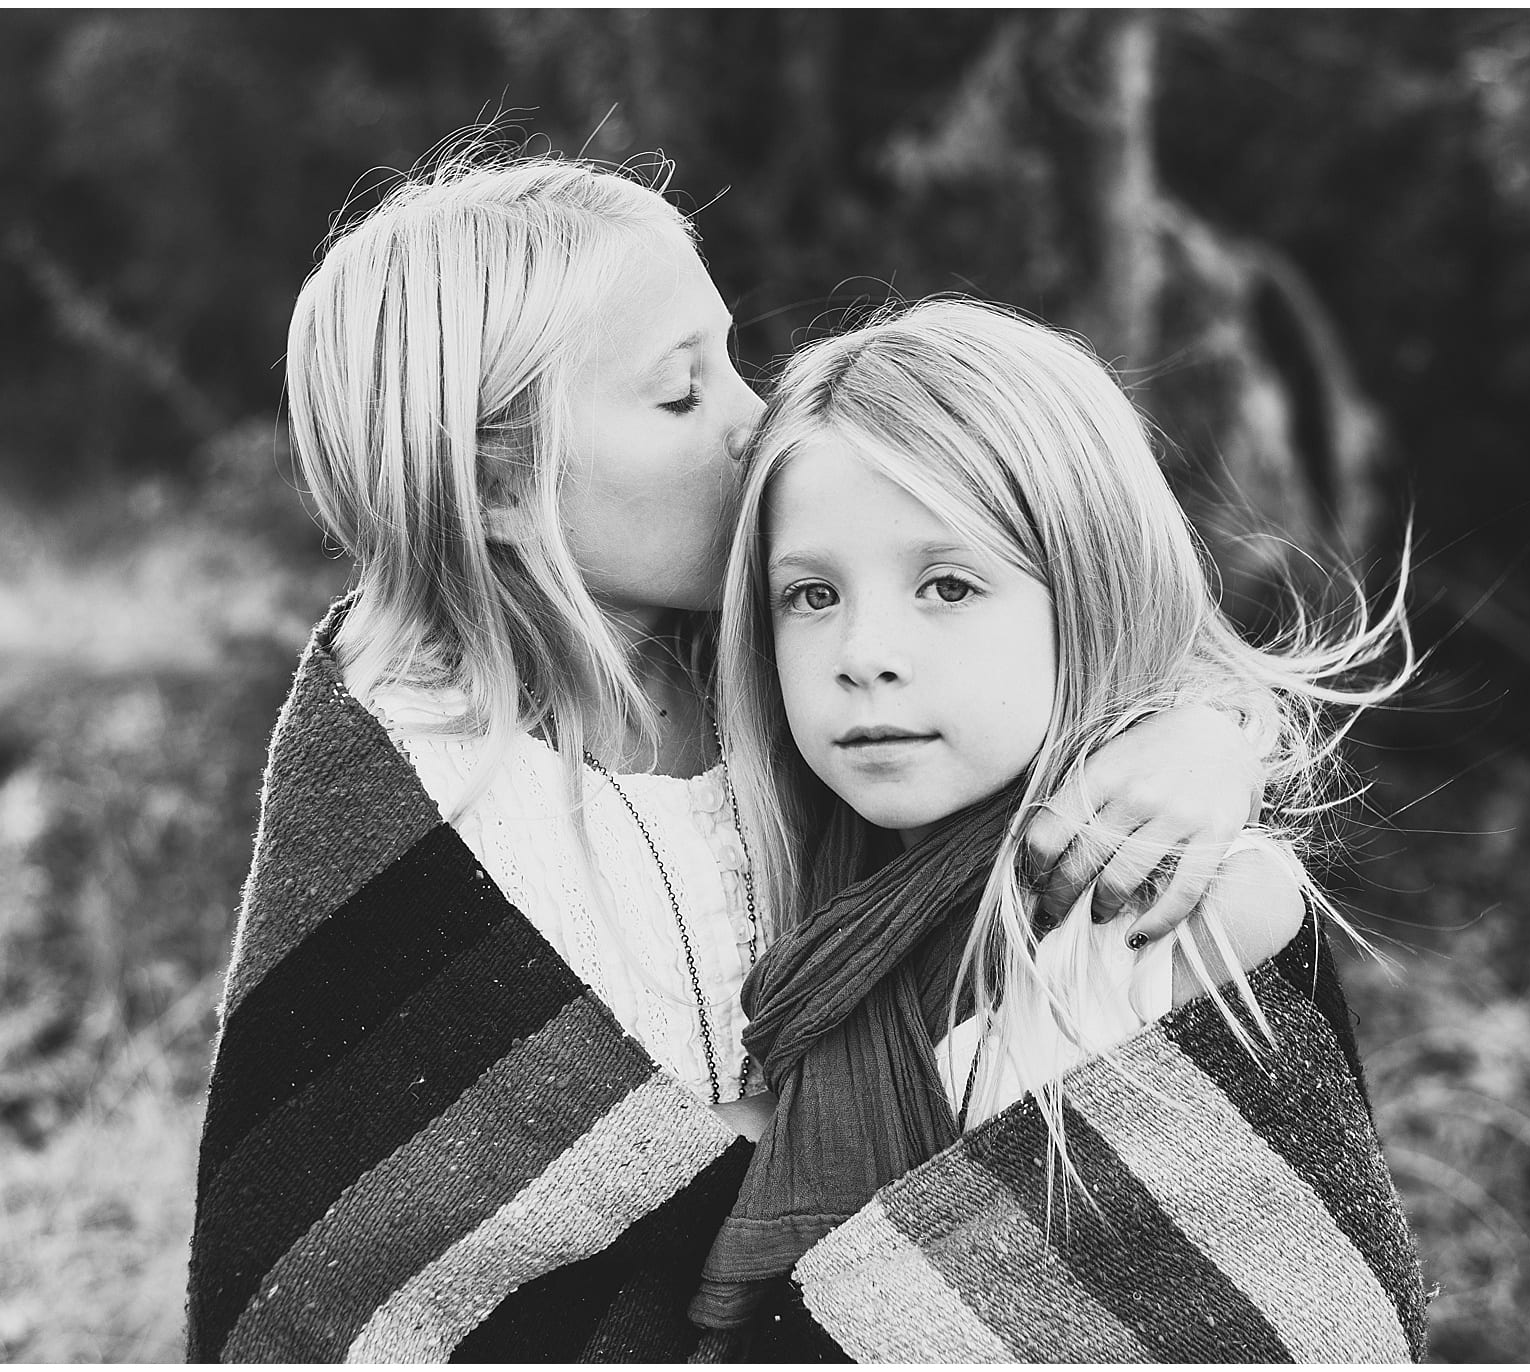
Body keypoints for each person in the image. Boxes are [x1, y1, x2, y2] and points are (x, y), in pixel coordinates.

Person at [186, 152, 1274, 1363]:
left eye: (731, 360)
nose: (754, 419)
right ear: (498, 478)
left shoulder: (785, 668)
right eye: (679, 393)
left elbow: (1068, 645)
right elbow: (357, 1264)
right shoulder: (409, 775)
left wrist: (1202, 734)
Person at [696, 297, 1427, 1359]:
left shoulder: (1177, 909)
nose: (862, 650)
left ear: (1091, 592)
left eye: (946, 584)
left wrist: (1208, 725)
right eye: (809, 594)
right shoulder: (813, 907)